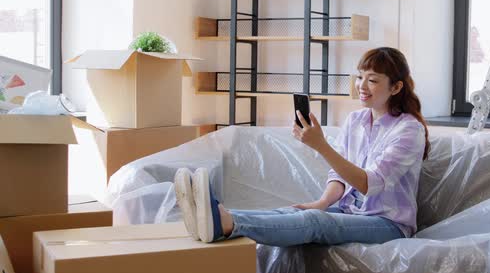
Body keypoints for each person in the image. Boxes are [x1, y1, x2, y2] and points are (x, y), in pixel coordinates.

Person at [174, 47, 430, 246]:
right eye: (360, 77)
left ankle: (227, 222)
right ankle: (214, 215)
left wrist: (321, 146)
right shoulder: (356, 120)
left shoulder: (409, 130)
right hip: (349, 210)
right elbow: (338, 175)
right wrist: (321, 201)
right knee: (294, 211)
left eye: (372, 80)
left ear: (396, 87)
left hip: (387, 223)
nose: (362, 86)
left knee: (313, 222)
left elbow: (368, 183)